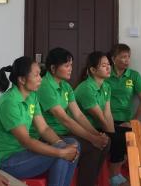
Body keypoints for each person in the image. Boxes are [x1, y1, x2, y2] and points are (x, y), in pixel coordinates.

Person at [0, 56, 79, 186]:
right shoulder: (9, 103)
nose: (40, 79)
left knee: (72, 144)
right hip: (7, 161)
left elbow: (44, 129)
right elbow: (26, 141)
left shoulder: (32, 95)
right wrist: (61, 151)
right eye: (36, 75)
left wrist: (61, 144)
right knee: (61, 153)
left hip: (24, 153)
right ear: (22, 80)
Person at [35, 48, 110, 186]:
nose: (70, 69)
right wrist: (92, 139)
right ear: (53, 68)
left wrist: (96, 135)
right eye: (66, 65)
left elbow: (78, 115)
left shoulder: (66, 86)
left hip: (64, 132)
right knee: (89, 147)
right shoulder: (45, 86)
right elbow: (64, 119)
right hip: (49, 135)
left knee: (104, 143)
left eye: (71, 65)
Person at [74, 52, 125, 186]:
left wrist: (112, 132)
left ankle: (115, 172)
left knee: (127, 134)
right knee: (117, 138)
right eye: (103, 65)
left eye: (109, 64)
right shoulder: (86, 88)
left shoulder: (106, 86)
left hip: (100, 126)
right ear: (93, 70)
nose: (108, 68)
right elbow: (100, 117)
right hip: (86, 128)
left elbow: (108, 114)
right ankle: (113, 175)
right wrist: (112, 135)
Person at [106, 44, 141, 182]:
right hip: (107, 119)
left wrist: (132, 121)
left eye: (128, 57)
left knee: (131, 134)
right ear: (113, 59)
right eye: (123, 57)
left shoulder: (134, 75)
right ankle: (114, 174)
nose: (127, 60)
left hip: (126, 120)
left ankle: (119, 171)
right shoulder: (106, 74)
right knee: (118, 137)